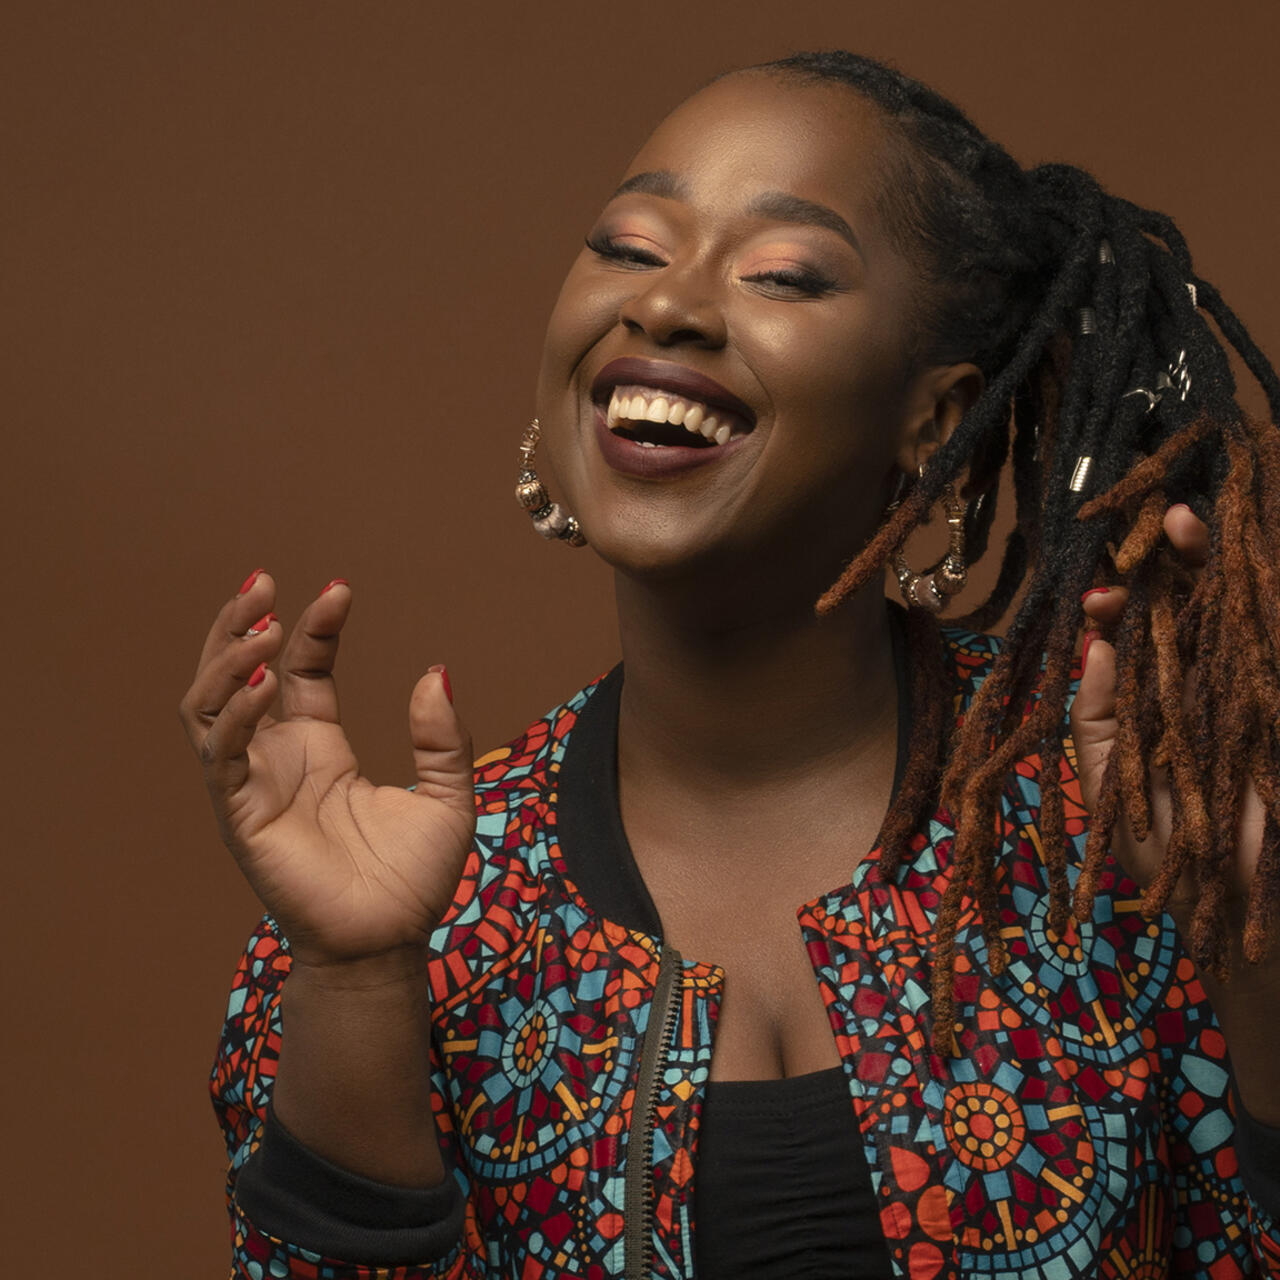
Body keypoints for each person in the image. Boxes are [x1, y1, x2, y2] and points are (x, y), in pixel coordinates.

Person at [181, 50, 1280, 1280]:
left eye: (782, 273)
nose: (666, 305)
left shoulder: (1141, 811)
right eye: (629, 247)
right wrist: (353, 979)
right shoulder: (419, 901)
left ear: (932, 417)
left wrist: (1257, 944)